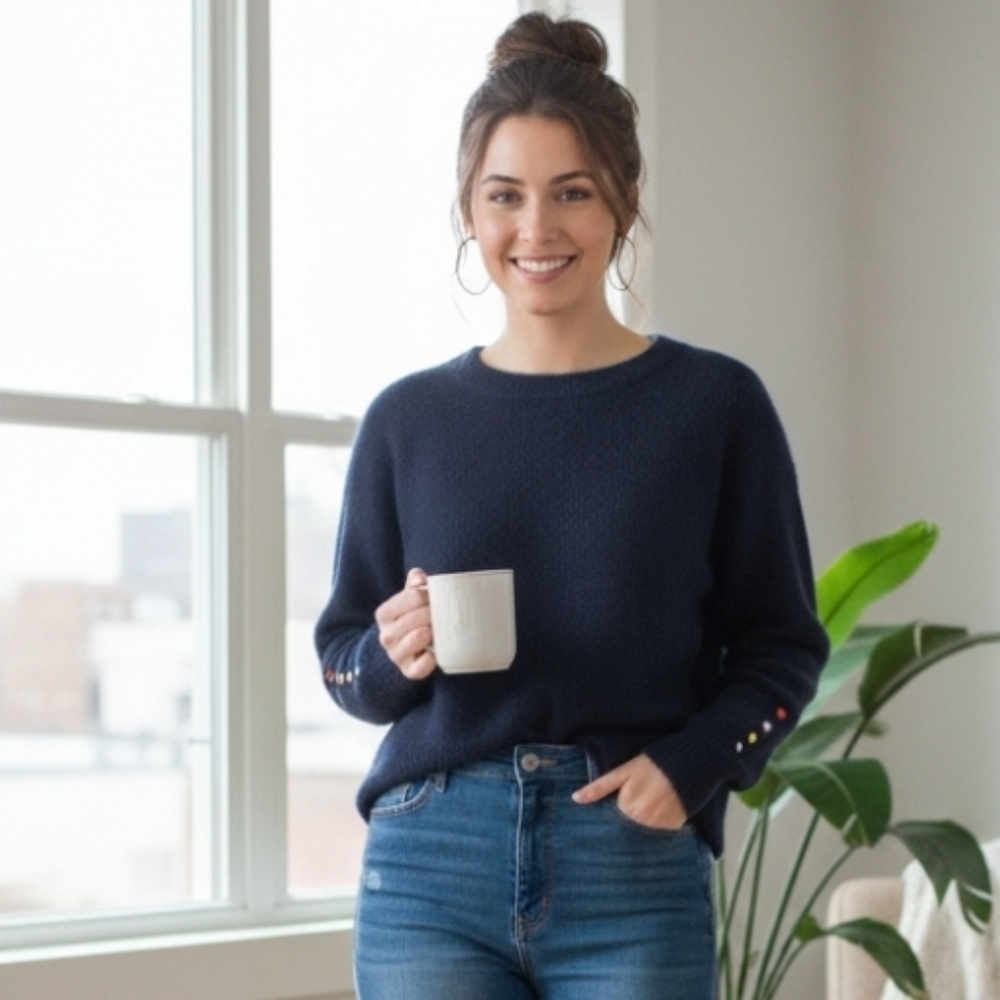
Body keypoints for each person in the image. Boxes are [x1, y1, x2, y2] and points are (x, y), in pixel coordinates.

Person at [314, 12, 829, 1000]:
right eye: (504, 195)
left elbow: (784, 648)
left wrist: (694, 764)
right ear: (469, 211)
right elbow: (345, 663)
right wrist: (390, 653)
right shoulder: (406, 420)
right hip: (429, 864)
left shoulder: (713, 406)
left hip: (631, 863)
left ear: (623, 203)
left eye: (573, 193)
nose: (536, 229)